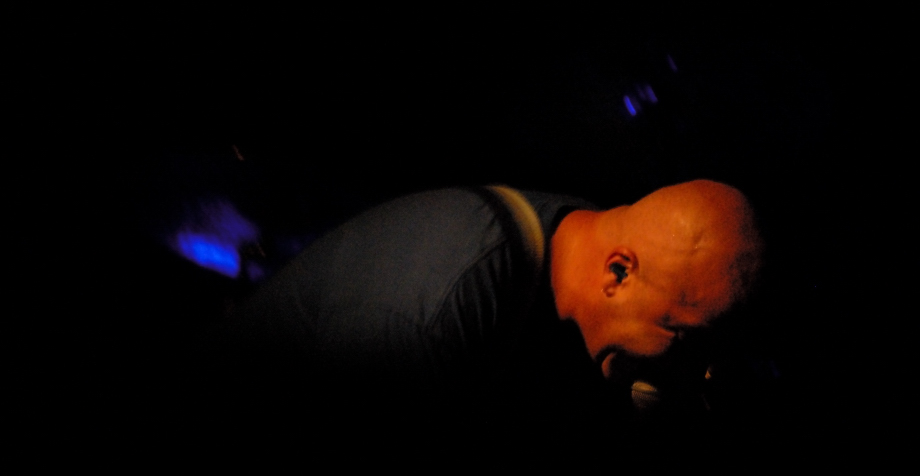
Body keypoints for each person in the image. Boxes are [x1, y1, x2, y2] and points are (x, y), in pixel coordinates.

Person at [214, 179, 762, 432]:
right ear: (618, 273)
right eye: (684, 338)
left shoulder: (579, 248)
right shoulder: (430, 317)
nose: (693, 375)